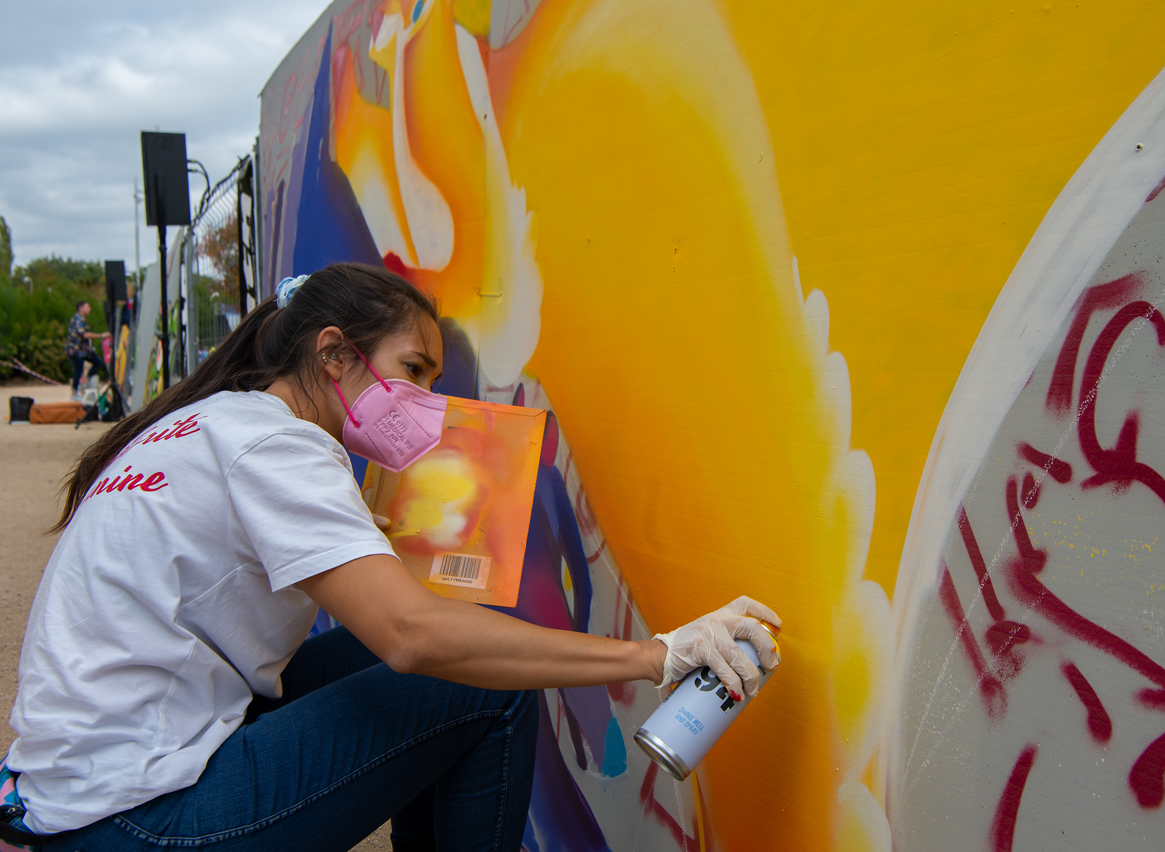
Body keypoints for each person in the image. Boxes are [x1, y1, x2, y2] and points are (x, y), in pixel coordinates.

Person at [3, 263, 780, 852]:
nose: (426, 400)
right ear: (334, 354)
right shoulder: (280, 447)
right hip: (132, 818)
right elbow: (411, 635)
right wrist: (653, 653)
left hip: (70, 784)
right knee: (480, 686)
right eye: (414, 370)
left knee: (461, 652)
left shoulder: (212, 421)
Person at [64, 300, 107, 400]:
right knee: (78, 369)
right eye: (87, 307)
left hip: (83, 351)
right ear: (81, 308)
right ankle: (74, 391)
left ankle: (86, 380)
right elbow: (84, 334)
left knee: (97, 361)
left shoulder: (82, 319)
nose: (90, 309)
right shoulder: (78, 319)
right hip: (75, 350)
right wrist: (101, 335)